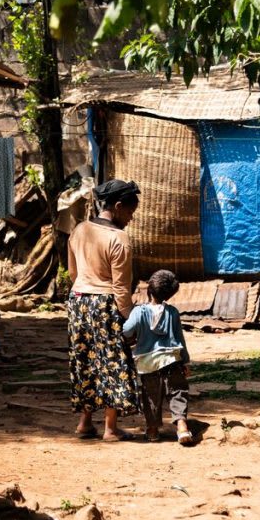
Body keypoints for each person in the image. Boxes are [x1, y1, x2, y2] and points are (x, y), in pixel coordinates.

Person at [66, 179, 142, 441]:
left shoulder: (78, 230)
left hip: (78, 302)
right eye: (130, 213)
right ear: (118, 206)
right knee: (112, 362)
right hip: (105, 305)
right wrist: (131, 320)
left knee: (85, 360)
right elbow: (122, 288)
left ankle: (84, 423)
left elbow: (73, 272)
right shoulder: (119, 239)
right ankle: (110, 428)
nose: (130, 219)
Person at [123, 269, 194, 445]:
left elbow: (126, 331)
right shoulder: (173, 312)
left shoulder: (139, 312)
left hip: (148, 363)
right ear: (169, 294)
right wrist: (185, 361)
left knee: (151, 397)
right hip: (172, 360)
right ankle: (182, 427)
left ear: (149, 289)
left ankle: (153, 431)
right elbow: (180, 339)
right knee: (178, 392)